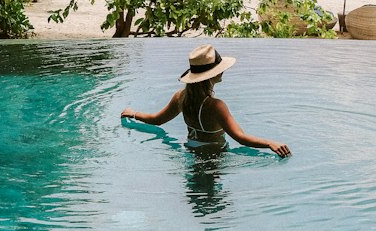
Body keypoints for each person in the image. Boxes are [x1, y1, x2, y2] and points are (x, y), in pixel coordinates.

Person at [121, 44, 291, 157]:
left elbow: (157, 120)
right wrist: (270, 143)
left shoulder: (181, 97)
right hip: (214, 158)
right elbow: (240, 137)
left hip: (191, 153)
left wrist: (134, 114)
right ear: (213, 74)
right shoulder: (216, 106)